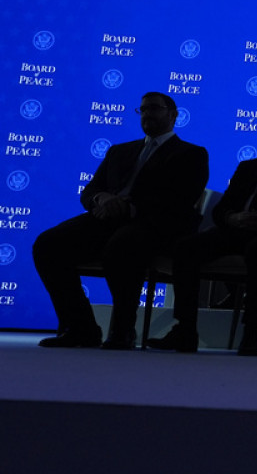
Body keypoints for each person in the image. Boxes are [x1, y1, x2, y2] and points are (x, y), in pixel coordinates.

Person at [32, 92, 209, 349]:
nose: (147, 114)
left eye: (154, 108)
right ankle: (81, 327)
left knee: (122, 246)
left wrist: (128, 207)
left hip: (154, 224)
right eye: (143, 109)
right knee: (47, 244)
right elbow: (90, 190)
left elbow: (179, 200)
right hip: (106, 220)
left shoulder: (191, 154)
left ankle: (123, 329)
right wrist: (101, 199)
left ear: (173, 115)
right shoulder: (119, 151)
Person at [146, 107, 257, 355]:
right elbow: (221, 210)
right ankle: (185, 330)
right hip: (240, 230)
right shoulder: (248, 167)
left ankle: (250, 332)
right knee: (186, 248)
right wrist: (234, 217)